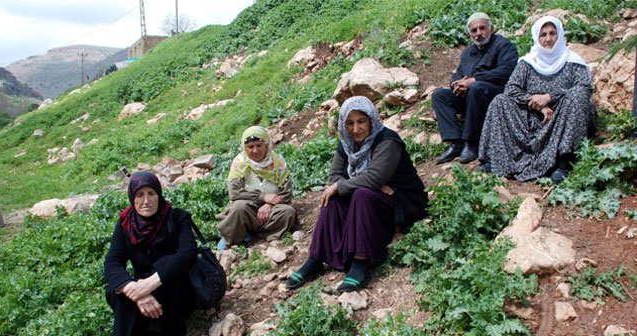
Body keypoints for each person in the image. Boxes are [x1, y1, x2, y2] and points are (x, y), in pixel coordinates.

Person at [285, 96, 428, 292]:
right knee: (334, 198)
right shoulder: (347, 143)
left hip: (403, 200)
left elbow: (375, 177)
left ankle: (361, 263)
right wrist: (356, 184)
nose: (355, 129)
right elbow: (334, 176)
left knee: (361, 194)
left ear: (371, 120)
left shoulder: (388, 141)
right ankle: (316, 259)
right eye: (350, 123)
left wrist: (357, 184)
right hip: (371, 198)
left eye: (361, 121)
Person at [478, 16, 596, 183]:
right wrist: (539, 106)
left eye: (552, 33)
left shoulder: (572, 61)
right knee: (500, 101)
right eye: (543, 34)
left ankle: (564, 161)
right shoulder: (528, 62)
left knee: (576, 96)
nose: (548, 39)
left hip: (565, 116)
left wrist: (549, 97)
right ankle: (497, 160)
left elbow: (584, 88)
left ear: (560, 35)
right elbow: (511, 89)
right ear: (536, 37)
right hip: (535, 117)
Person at [104, 171, 197, 336]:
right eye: (139, 195)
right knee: (116, 290)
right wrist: (135, 289)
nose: (146, 201)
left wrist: (152, 283)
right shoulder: (125, 224)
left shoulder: (176, 218)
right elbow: (112, 262)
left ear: (159, 195)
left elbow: (188, 254)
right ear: (132, 198)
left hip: (174, 284)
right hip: (141, 287)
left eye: (151, 194)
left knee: (166, 290)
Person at [433, 12, 518, 164]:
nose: (478, 33)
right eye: (474, 30)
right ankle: (456, 142)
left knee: (476, 88)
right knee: (439, 95)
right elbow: (458, 73)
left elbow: (508, 71)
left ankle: (471, 142)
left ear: (491, 29)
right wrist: (456, 85)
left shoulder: (503, 45)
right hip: (471, 97)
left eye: (482, 28)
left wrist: (474, 80)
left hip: (494, 95)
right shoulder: (468, 53)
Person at [216, 125, 296, 249]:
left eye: (259, 145)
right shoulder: (240, 163)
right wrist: (263, 197)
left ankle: (258, 234)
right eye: (250, 147)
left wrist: (269, 205)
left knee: (288, 212)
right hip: (248, 209)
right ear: (244, 147)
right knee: (238, 208)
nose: (255, 151)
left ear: (266, 145)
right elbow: (235, 193)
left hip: (272, 210)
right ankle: (233, 236)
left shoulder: (277, 162)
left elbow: (286, 193)